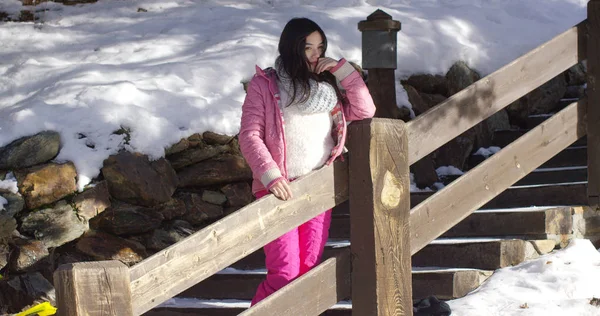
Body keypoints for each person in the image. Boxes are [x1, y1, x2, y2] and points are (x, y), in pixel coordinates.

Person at [238, 17, 376, 305]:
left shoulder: (328, 89)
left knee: (307, 270)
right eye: (308, 47)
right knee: (284, 273)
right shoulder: (265, 85)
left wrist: (343, 70)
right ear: (292, 48)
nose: (316, 54)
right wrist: (271, 176)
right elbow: (250, 135)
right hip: (279, 191)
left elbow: (365, 110)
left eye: (320, 47)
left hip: (317, 187)